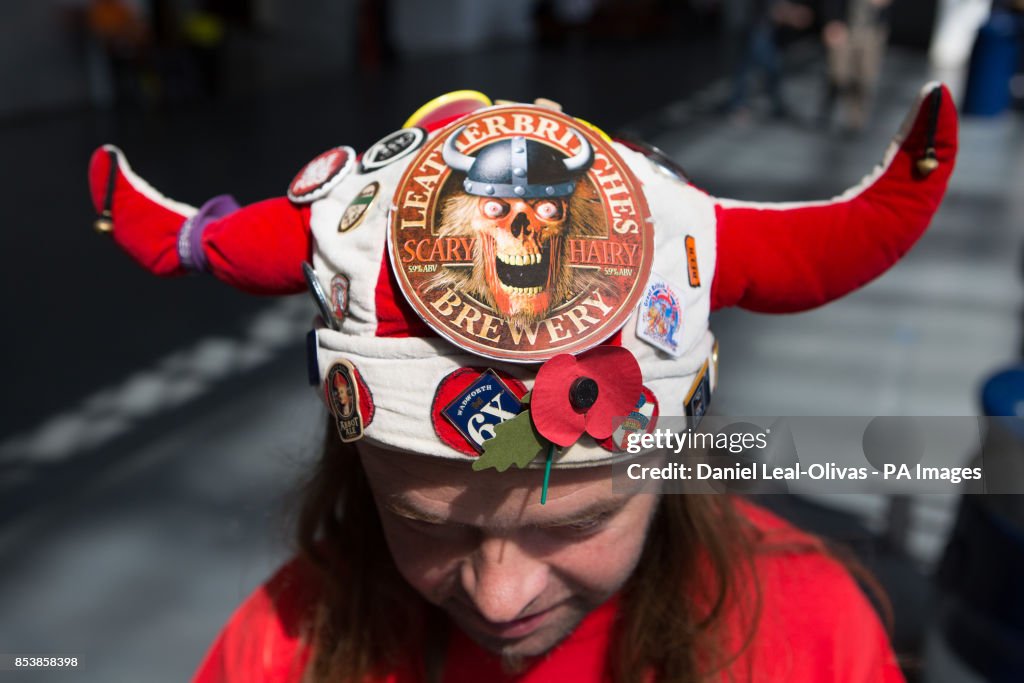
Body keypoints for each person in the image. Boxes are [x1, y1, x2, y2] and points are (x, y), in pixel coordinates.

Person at [87, 87, 958, 681]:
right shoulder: (285, 647)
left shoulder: (811, 638)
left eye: (580, 519)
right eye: (426, 522)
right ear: (356, 469)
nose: (500, 596)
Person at [820, 0, 895, 132]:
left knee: (865, 77)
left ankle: (855, 120)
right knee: (839, 73)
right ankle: (828, 108)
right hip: (846, 26)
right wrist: (832, 20)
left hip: (872, 30)